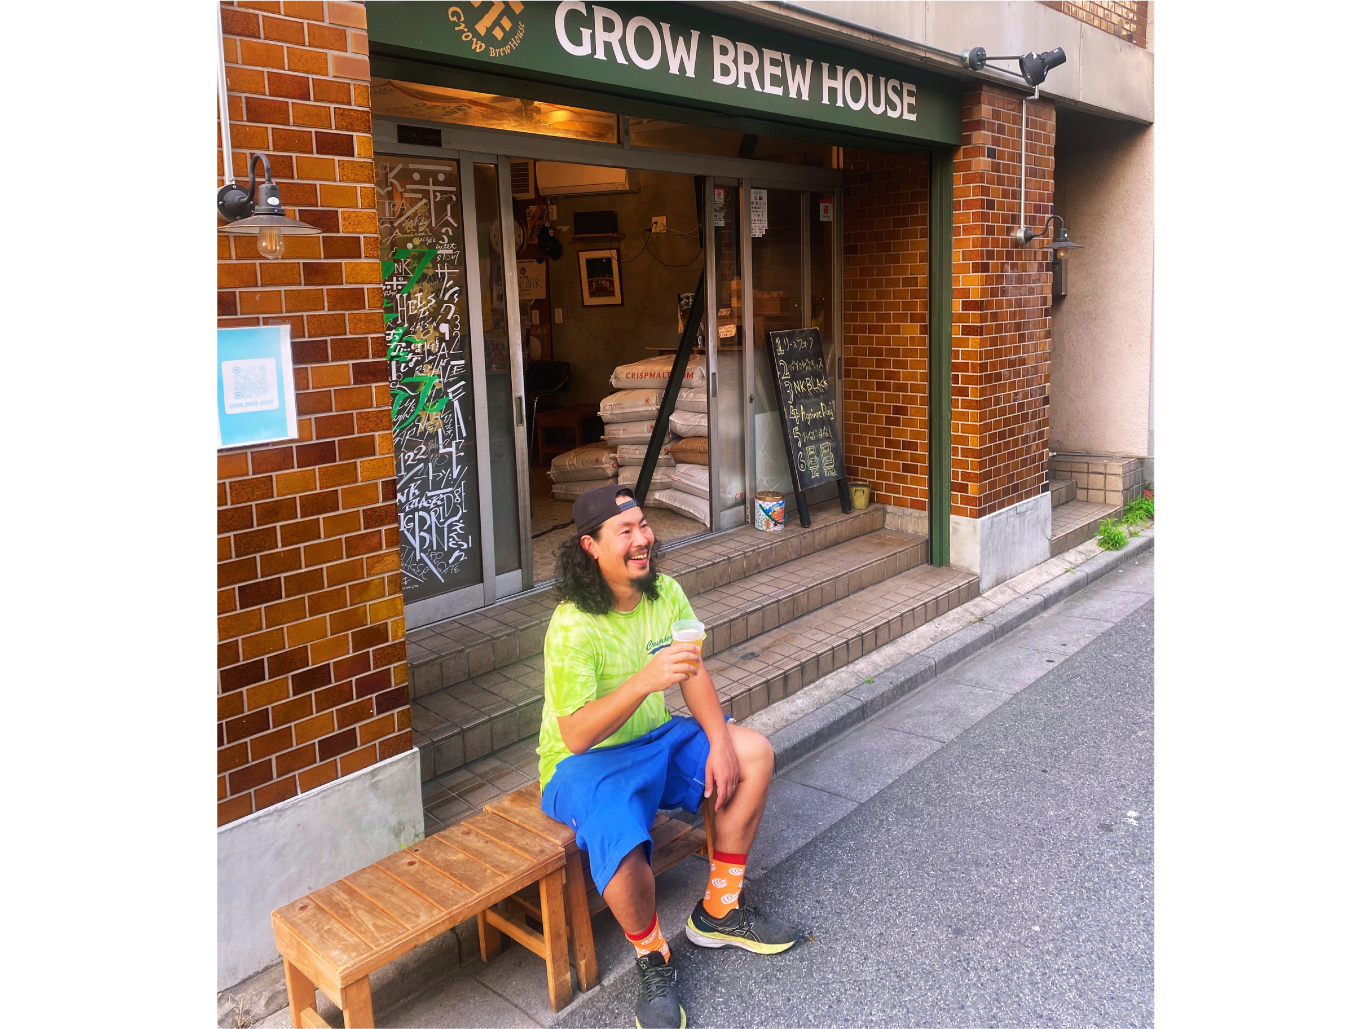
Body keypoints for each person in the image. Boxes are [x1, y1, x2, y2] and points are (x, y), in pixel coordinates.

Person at [537, 484, 798, 1028]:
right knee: (625, 851)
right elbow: (577, 735)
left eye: (643, 526)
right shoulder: (571, 625)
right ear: (590, 546)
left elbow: (692, 673)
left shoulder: (665, 593)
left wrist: (720, 742)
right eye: (625, 531)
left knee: (754, 753)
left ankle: (719, 911)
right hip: (583, 764)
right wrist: (643, 681)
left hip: (656, 739)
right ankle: (653, 954)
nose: (642, 539)